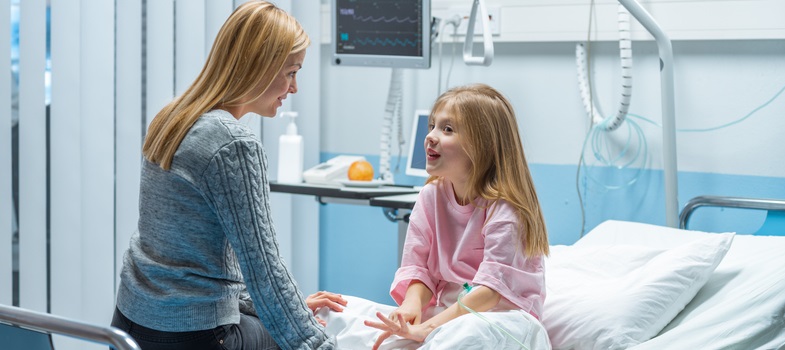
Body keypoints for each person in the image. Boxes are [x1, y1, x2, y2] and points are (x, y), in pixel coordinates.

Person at [111, 2, 346, 349]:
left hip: (131, 323)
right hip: (192, 335)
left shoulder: (171, 118)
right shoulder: (233, 143)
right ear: (260, 67)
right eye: (291, 72)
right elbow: (263, 267)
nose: (293, 88)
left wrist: (281, 310)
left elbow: (185, 254)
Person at [317, 84, 552, 349]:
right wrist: (411, 305)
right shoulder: (431, 196)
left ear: (482, 144)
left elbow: (489, 293)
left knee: (465, 336)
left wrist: (428, 328)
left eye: (447, 129)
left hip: (501, 322)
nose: (431, 136)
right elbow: (420, 269)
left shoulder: (506, 210)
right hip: (448, 315)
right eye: (432, 126)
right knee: (334, 314)